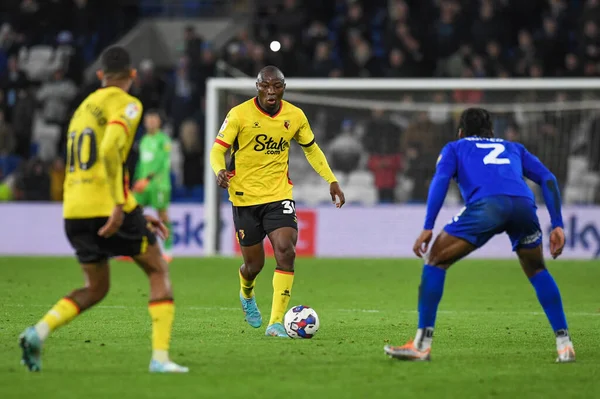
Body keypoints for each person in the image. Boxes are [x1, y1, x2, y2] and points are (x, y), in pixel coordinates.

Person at [18, 46, 188, 373]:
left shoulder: (83, 108)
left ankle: (38, 332)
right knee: (157, 268)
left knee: (96, 288)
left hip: (74, 210)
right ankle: (160, 359)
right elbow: (110, 149)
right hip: (104, 206)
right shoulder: (127, 103)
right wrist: (121, 206)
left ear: (101, 76)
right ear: (132, 75)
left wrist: (131, 207)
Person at [384, 108, 574, 363]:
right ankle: (565, 345)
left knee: (435, 261)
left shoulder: (456, 147)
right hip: (523, 206)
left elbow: (440, 180)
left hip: (488, 207)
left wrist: (428, 225)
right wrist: (558, 224)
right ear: (492, 132)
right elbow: (548, 178)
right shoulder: (513, 147)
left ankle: (421, 345)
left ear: (461, 131)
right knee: (537, 269)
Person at [210, 65, 345, 337]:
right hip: (244, 197)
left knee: (286, 250)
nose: (271, 91)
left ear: (283, 87)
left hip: (278, 194)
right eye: (266, 86)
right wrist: (219, 171)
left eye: (277, 86)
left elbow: (312, 149)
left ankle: (275, 322)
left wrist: (331, 179)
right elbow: (217, 150)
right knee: (253, 266)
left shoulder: (295, 116)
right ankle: (246, 294)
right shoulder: (239, 114)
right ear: (257, 87)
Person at [132, 109, 173, 262]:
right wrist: (137, 180)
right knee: (133, 213)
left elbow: (161, 162)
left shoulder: (163, 140)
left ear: (159, 122)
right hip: (143, 184)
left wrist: (147, 179)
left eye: (153, 119)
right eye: (148, 120)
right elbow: (141, 164)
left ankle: (168, 249)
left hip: (159, 185)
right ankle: (134, 248)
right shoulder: (143, 140)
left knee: (162, 216)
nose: (151, 122)